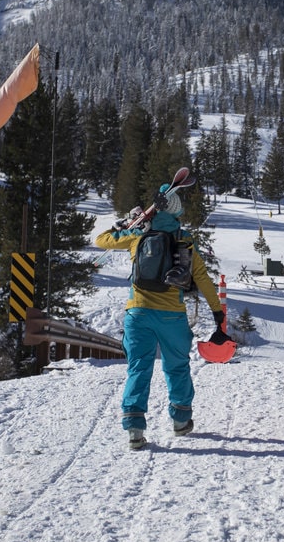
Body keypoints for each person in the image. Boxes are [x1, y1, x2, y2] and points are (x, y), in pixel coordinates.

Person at [95, 184, 226, 450]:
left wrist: (125, 224)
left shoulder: (136, 235)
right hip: (172, 316)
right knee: (176, 367)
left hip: (138, 312)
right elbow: (202, 278)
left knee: (139, 367)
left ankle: (134, 428)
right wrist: (217, 316)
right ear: (177, 211)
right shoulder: (184, 238)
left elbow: (100, 240)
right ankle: (180, 421)